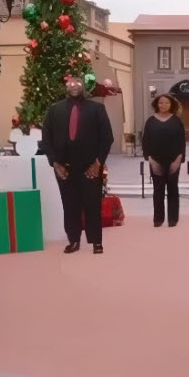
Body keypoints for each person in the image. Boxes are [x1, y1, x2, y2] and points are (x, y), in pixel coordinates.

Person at [40, 75, 114, 254]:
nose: (74, 86)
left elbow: (107, 138)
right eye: (70, 83)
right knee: (70, 204)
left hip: (90, 166)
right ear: (66, 86)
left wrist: (97, 163)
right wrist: (55, 163)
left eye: (77, 83)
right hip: (64, 166)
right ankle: (73, 240)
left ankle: (96, 241)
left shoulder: (97, 109)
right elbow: (46, 139)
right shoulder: (54, 110)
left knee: (92, 204)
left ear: (83, 86)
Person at [142, 93, 186, 227]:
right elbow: (146, 141)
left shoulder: (176, 121)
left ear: (171, 104)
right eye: (161, 103)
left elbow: (181, 142)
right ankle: (158, 219)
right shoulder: (150, 121)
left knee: (173, 189)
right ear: (157, 104)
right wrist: (150, 159)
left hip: (174, 160)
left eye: (166, 103)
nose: (163, 105)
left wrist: (178, 159)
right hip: (156, 160)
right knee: (158, 190)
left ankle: (173, 219)